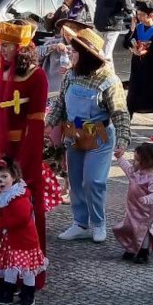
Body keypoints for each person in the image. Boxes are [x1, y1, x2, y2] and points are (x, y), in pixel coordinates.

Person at [0, 20, 49, 288]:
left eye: (7, 46)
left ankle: (23, 278)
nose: (2, 51)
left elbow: (35, 124)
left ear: (22, 48)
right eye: (1, 46)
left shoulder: (36, 77)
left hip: (20, 156)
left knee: (20, 213)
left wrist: (20, 167)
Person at [46, 27, 130, 244]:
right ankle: (80, 224)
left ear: (86, 56)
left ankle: (99, 223)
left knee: (93, 181)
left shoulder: (110, 80)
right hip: (73, 134)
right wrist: (48, 125)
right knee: (74, 180)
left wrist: (122, 140)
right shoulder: (71, 76)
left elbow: (120, 113)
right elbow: (60, 104)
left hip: (99, 137)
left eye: (75, 52)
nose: (70, 55)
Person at [0, 158, 46, 305]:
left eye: (4, 177)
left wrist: (3, 224)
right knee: (11, 268)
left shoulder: (18, 197)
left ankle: (28, 296)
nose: (1, 181)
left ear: (14, 177)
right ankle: (7, 294)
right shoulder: (7, 197)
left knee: (27, 271)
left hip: (25, 241)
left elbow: (22, 218)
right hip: (12, 240)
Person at [113, 142, 153, 264]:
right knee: (130, 228)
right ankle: (131, 247)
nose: (134, 162)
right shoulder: (135, 172)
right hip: (132, 208)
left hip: (144, 211)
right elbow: (126, 167)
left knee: (143, 229)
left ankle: (143, 251)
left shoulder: (152, 178)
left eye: (137, 160)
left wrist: (146, 199)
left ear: (146, 162)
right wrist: (120, 157)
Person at [126, 0, 153, 137]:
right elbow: (126, 43)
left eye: (142, 15)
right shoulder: (137, 29)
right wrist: (132, 31)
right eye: (138, 14)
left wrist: (146, 52)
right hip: (137, 71)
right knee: (131, 99)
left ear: (151, 16)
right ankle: (125, 126)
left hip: (150, 73)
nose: (139, 17)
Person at [93, 0, 129, 73]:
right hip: (99, 26)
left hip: (112, 28)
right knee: (97, 54)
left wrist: (112, 20)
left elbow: (128, 9)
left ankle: (112, 84)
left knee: (106, 56)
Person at [38, 18, 86, 98]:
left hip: (73, 94)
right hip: (49, 92)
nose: (68, 31)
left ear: (80, 31)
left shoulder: (84, 48)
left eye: (73, 28)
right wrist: (52, 48)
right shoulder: (52, 43)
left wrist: (72, 66)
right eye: (66, 27)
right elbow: (34, 55)